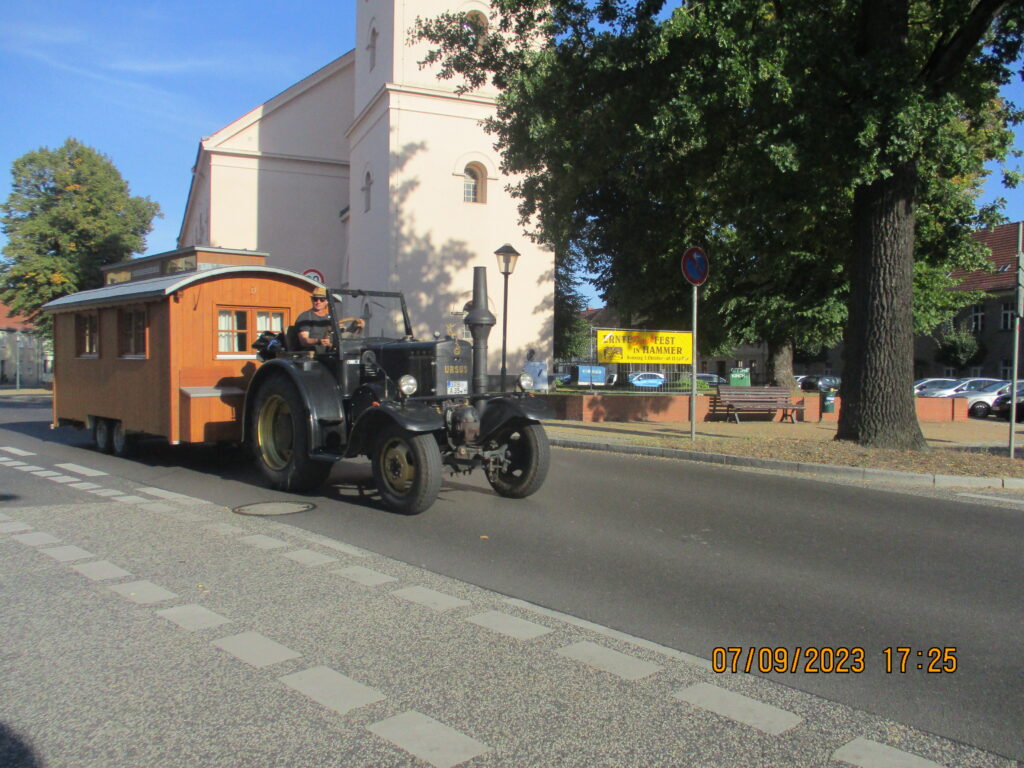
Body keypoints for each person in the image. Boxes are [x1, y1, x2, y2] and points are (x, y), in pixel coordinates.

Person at [295, 286, 365, 349]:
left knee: (358, 344)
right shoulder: (305, 317)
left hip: (332, 351)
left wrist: (355, 326)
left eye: (322, 299)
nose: (318, 302)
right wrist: (319, 341)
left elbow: (343, 334)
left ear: (327, 301)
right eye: (315, 299)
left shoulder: (330, 318)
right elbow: (304, 341)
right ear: (312, 300)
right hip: (315, 353)